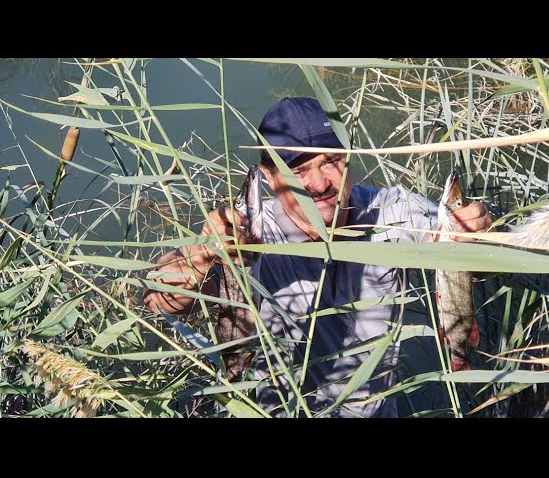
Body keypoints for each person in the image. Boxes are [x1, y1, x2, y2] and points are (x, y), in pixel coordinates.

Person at [144, 96, 492, 418]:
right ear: (269, 176)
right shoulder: (247, 235)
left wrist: (475, 237)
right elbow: (157, 299)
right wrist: (199, 259)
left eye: (330, 160)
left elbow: (467, 253)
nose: (320, 183)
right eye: (298, 170)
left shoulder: (390, 211)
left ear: (349, 156)